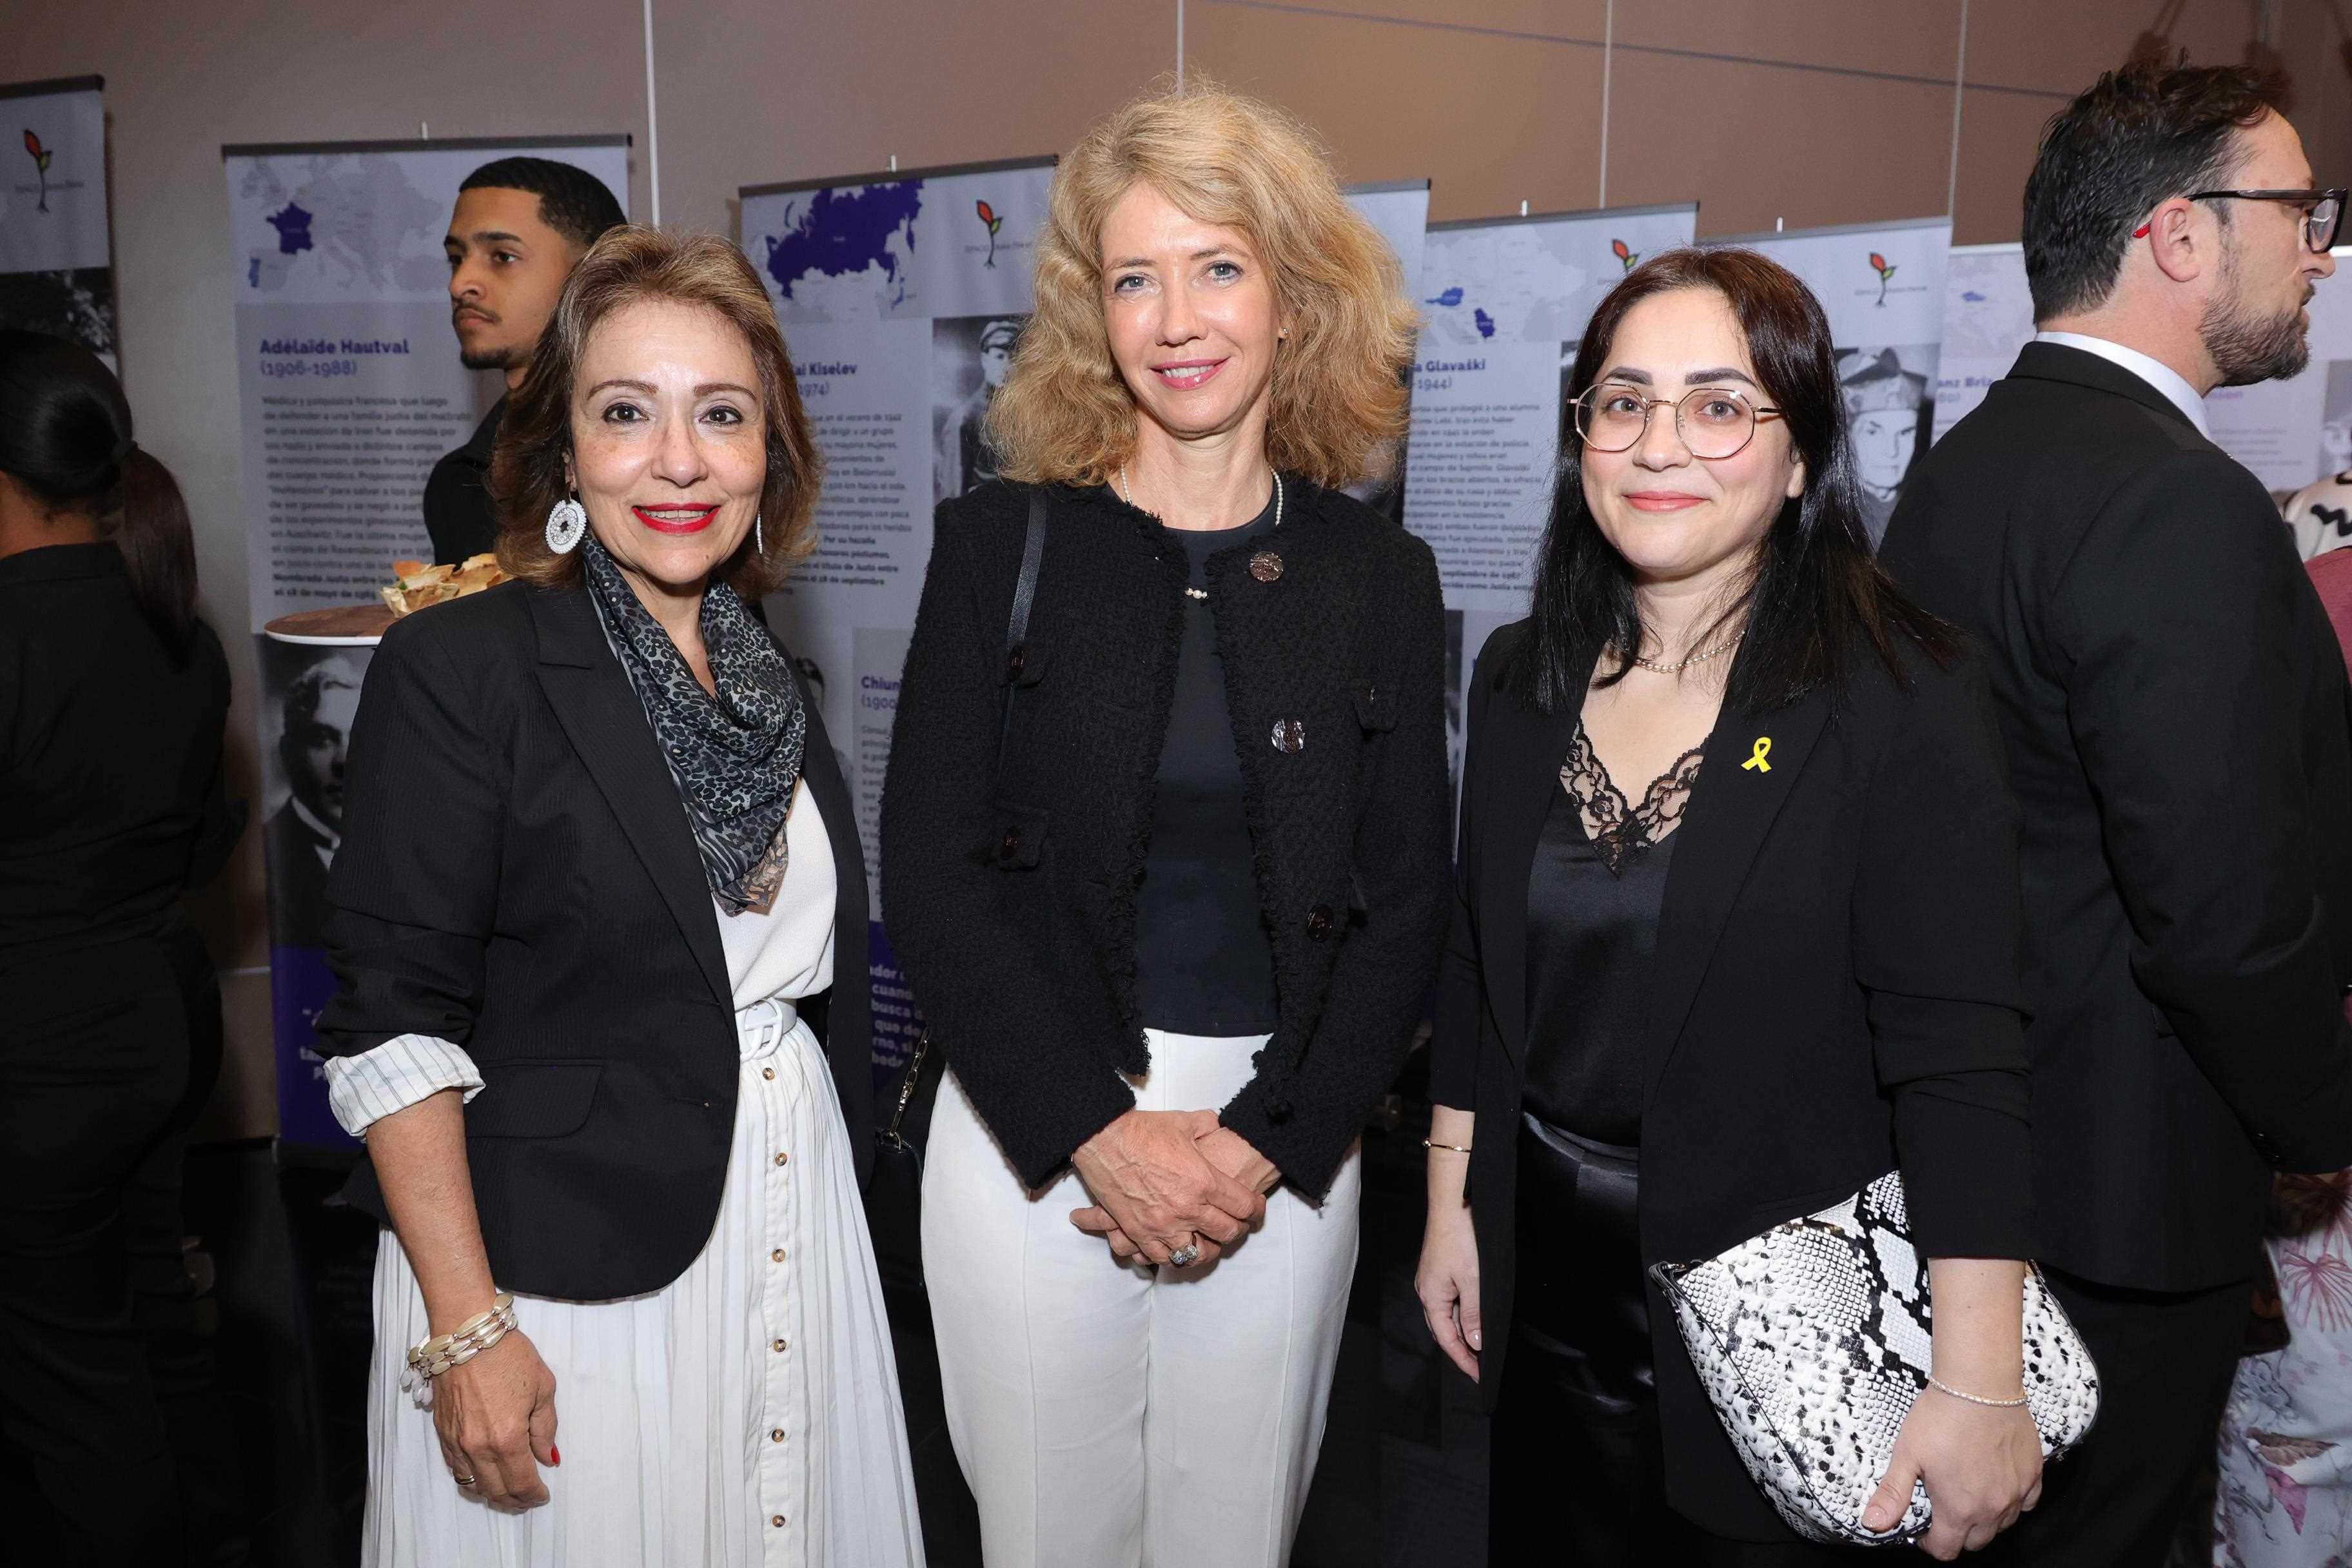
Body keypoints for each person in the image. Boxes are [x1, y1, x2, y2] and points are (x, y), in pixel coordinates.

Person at [879, 82, 1447, 1568]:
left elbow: (1406, 901)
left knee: (1234, 1541)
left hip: (1284, 1139)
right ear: (1092, 311)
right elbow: (930, 874)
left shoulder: (1375, 575)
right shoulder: (996, 544)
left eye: (1217, 267)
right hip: (1032, 1129)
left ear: (1292, 295)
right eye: (1136, 276)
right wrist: (1093, 1128)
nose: (1176, 316)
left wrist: (1266, 1143)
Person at [1415, 249, 2044, 1565]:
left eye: (1718, 406)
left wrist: (1982, 1381)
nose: (1660, 446)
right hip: (1548, 1303)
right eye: (1623, 401)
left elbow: (1962, 1057)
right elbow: (1479, 969)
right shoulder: (1522, 674)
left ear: (1802, 454)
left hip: (1786, 1315)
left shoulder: (1900, 694)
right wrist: (1447, 1210)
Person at [315, 228, 923, 1567]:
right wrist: (469, 1326)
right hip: (558, 1274)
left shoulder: (767, 682)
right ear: (564, 450)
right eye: (625, 414)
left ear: (772, 453)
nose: (680, 459)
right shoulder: (461, 664)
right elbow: (392, 1022)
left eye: (723, 414)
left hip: (785, 1226)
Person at [1879, 59, 2352, 1565]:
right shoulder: (2172, 499)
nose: (2323, 251)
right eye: (2297, 209)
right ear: (2177, 235)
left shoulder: (1957, 473)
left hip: (1976, 1175)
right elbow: (2217, 909)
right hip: (2125, 1200)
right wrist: (2318, 1116)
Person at [0, 330, 248, 1563]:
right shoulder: (173, 626)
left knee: (68, 1373)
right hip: (162, 1018)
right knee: (158, 1324)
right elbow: (205, 838)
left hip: (41, 1050)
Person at [424, 157, 627, 565]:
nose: (460, 283)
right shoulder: (459, 483)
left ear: (592, 272)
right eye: (456, 258)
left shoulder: (652, 464)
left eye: (502, 256)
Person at [263, 651, 363, 946]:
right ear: (288, 752)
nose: (344, 761)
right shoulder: (267, 857)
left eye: (359, 737)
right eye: (323, 738)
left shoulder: (402, 849)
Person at [1839, 346, 1926, 545]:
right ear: (1846, 436)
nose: (1892, 451)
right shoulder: (1827, 516)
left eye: (1905, 432)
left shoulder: (1925, 509)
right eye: (1873, 432)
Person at [932, 317, 1019, 502]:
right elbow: (953, 493)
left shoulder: (1020, 413)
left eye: (1013, 358)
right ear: (985, 359)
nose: (1006, 367)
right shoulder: (965, 419)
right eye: (999, 357)